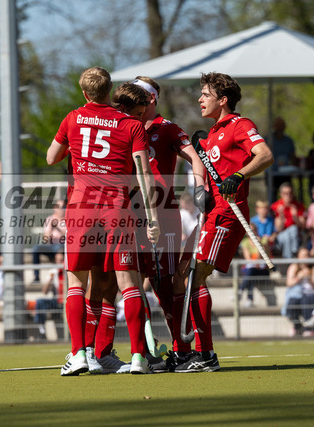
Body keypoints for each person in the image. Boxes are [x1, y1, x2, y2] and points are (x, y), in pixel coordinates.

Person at [46, 66, 160, 376]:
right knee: (128, 284)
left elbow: (51, 157)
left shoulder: (72, 118)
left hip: (81, 209)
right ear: (110, 90)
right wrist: (152, 218)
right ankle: (138, 358)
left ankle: (79, 354)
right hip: (117, 209)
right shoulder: (131, 125)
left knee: (77, 283)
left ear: (84, 93)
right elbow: (143, 173)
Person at [174, 72, 273, 373]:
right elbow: (207, 175)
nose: (200, 99)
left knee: (195, 276)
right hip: (211, 212)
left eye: (206, 94)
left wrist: (239, 175)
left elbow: (265, 155)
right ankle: (189, 351)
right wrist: (201, 190)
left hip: (228, 214)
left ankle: (205, 355)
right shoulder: (212, 133)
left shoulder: (240, 125)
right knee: (183, 272)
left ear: (223, 100)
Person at [129, 76, 208, 372]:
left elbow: (195, 158)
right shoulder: (125, 126)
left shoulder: (167, 128)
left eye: (138, 94)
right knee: (130, 283)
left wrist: (199, 187)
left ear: (151, 98)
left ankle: (182, 349)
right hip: (132, 214)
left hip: (163, 215)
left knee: (167, 284)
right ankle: (143, 351)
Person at [31, 200, 66, 283]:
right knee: (36, 248)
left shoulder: (67, 219)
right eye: (58, 207)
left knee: (59, 248)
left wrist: (58, 228)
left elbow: (68, 236)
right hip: (51, 245)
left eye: (63, 207)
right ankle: (36, 276)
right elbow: (45, 239)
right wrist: (51, 230)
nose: (61, 209)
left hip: (63, 245)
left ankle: (60, 275)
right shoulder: (49, 219)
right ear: (54, 208)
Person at [34, 251, 65, 341]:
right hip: (57, 301)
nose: (59, 262)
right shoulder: (53, 271)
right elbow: (44, 292)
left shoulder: (69, 271)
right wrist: (50, 280)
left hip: (68, 300)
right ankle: (42, 331)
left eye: (61, 260)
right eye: (57, 260)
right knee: (40, 302)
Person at [282, 247, 314, 336]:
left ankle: (308, 328)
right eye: (303, 255)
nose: (306, 258)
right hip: (297, 295)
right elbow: (289, 283)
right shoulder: (294, 267)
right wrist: (299, 277)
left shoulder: (312, 268)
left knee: (306, 300)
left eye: (307, 255)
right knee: (292, 303)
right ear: (298, 257)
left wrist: (310, 278)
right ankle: (297, 326)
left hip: (310, 294)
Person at [238, 223, 270, 307]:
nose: (251, 232)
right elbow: (248, 258)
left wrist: (259, 245)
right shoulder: (245, 242)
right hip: (252, 269)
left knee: (251, 273)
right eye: (249, 231)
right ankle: (249, 300)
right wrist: (255, 262)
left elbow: (263, 257)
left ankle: (241, 290)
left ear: (256, 231)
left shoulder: (263, 241)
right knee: (251, 273)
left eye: (253, 230)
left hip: (262, 270)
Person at [271, 182, 305, 258]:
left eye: (290, 193)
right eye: (285, 193)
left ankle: (288, 260)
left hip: (296, 237)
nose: (288, 195)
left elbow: (302, 227)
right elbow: (279, 229)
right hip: (280, 237)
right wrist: (281, 216)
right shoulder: (275, 206)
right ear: (281, 194)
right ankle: (294, 253)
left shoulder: (298, 206)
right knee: (289, 233)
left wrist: (295, 217)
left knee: (293, 229)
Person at [268, 116, 297, 197]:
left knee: (287, 194)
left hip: (285, 174)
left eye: (282, 126)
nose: (280, 128)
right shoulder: (268, 139)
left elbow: (293, 157)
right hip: (272, 173)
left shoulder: (288, 141)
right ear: (274, 127)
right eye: (278, 126)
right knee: (272, 195)